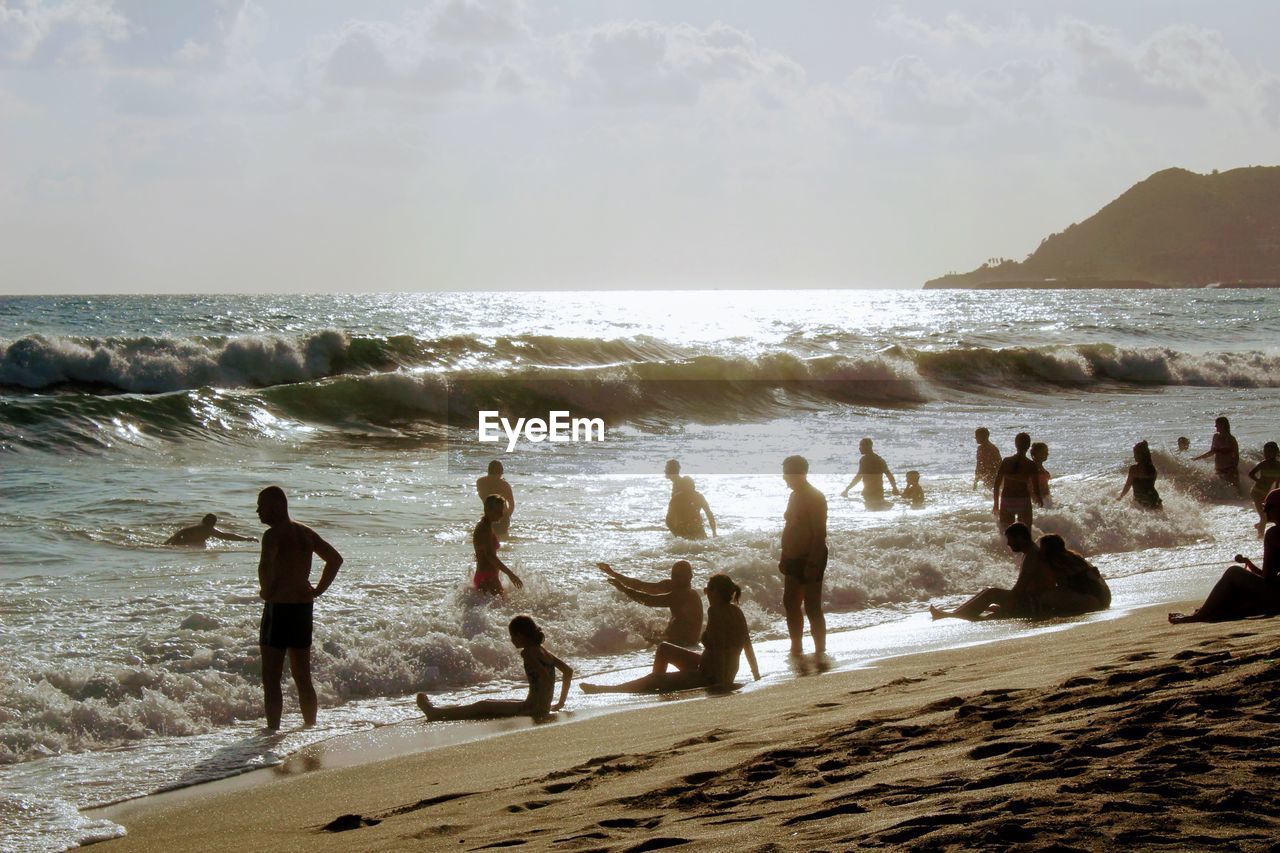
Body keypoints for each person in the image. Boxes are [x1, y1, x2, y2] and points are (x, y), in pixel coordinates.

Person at [255, 486, 343, 730]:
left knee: (271, 677)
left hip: (279, 607)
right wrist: (317, 589)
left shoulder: (272, 535)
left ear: (277, 506)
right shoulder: (305, 532)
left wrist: (266, 590)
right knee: (302, 675)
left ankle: (272, 730)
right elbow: (335, 559)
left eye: (262, 505)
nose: (258, 511)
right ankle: (310, 727)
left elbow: (265, 566)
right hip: (303, 608)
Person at [580, 574, 760, 693]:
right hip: (714, 670)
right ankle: (655, 687)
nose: (705, 593)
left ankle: (607, 689)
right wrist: (755, 674)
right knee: (664, 648)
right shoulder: (737, 611)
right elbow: (747, 645)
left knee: (656, 678)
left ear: (716, 592)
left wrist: (720, 683)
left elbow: (720, 648)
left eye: (707, 590)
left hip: (709, 676)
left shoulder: (715, 612)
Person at [417, 615, 572, 719]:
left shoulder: (528, 653)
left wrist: (538, 708)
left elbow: (544, 676)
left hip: (530, 709)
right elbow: (567, 671)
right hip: (539, 707)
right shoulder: (543, 650)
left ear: (520, 635)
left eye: (512, 636)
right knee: (490, 701)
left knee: (482, 706)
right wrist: (558, 703)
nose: (511, 640)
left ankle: (435, 713)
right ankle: (440, 710)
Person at [1169, 489, 1280, 623]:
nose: (1264, 511)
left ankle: (1199, 616)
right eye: (1264, 507)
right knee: (1237, 600)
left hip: (1277, 599)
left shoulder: (1274, 534)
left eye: (1268, 507)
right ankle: (1210, 612)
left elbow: (1267, 578)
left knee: (1233, 572)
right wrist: (1250, 565)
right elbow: (1270, 578)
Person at [930, 523, 1052, 621]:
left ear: (1020, 538)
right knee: (988, 591)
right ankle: (954, 614)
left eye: (1010, 540)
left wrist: (1005, 606)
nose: (1008, 543)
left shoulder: (1032, 555)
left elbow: (1019, 590)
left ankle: (954, 616)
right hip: (1031, 600)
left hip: (1033, 603)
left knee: (991, 593)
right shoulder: (1030, 552)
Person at [779, 455, 828, 656]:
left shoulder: (815, 497)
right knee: (790, 602)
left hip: (810, 556)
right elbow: (790, 526)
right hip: (792, 556)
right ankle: (796, 646)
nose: (784, 478)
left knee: (812, 606)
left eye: (787, 473)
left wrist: (813, 563)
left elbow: (819, 533)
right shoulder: (794, 496)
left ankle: (820, 649)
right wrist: (783, 554)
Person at [597, 560, 704, 647]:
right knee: (639, 630)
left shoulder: (687, 594)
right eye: (674, 575)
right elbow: (641, 586)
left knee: (638, 638)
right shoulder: (673, 585)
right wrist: (613, 573)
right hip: (674, 639)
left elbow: (648, 600)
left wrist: (624, 590)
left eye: (679, 576)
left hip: (685, 644)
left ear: (690, 576)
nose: (675, 579)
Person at [1036, 534, 1110, 616]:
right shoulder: (1074, 556)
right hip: (1105, 597)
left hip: (1093, 601)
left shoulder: (1057, 562)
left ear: (1048, 549)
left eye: (1042, 547)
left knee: (1046, 596)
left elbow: (1063, 587)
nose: (1039, 551)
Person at [473, 494, 523, 595]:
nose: (501, 514)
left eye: (502, 511)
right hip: (487, 577)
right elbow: (490, 556)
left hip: (486, 576)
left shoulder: (486, 526)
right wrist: (510, 574)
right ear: (488, 510)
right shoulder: (484, 528)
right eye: (498, 511)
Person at [992, 432, 1043, 529]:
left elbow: (997, 485)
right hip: (1023, 499)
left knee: (1006, 531)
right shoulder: (1031, 464)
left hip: (1007, 499)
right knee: (1026, 532)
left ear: (1015, 444)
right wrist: (1039, 498)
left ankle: (1003, 544)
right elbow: (1036, 489)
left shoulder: (1006, 461)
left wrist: (995, 504)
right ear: (1028, 446)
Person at [841, 437, 899, 508]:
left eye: (861, 446)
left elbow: (858, 477)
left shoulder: (865, 460)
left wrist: (847, 489)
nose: (859, 448)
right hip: (877, 493)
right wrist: (894, 488)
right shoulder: (879, 460)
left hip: (869, 493)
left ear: (868, 446)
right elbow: (889, 475)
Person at [664, 461, 715, 538]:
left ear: (671, 470)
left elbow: (686, 510)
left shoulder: (681, 486)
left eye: (666, 468)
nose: (664, 471)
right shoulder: (678, 484)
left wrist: (677, 534)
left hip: (686, 528)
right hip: (689, 527)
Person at [1194, 416, 1242, 495]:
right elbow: (1212, 452)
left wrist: (1233, 469)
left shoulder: (1231, 439)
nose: (1215, 426)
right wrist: (1197, 458)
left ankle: (1244, 505)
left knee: (1237, 491)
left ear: (1223, 425)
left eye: (1217, 424)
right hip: (1219, 469)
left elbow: (1236, 456)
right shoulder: (1215, 437)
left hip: (1230, 469)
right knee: (1223, 492)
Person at [165, 513, 256, 547]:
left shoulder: (208, 529)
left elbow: (226, 536)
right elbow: (226, 536)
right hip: (180, 542)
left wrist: (246, 538)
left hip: (183, 542)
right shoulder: (205, 529)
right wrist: (247, 538)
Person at [1117, 440, 1162, 509]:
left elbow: (1128, 485)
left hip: (1141, 500)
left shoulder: (1134, 469)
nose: (1134, 456)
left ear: (1140, 455)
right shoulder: (1152, 469)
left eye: (1135, 454)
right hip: (1154, 498)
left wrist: (1121, 496)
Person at [1247, 442, 1280, 537]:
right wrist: (1258, 481)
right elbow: (1251, 474)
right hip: (1256, 492)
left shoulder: (1279, 466)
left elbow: (1278, 483)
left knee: (1270, 516)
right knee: (1264, 516)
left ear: (1275, 452)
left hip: (1267, 494)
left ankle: (1259, 526)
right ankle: (1260, 536)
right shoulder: (1263, 464)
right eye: (1266, 452)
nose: (1268, 454)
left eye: (1270, 451)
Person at [476, 461, 515, 538]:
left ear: (489, 470)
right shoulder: (505, 485)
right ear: (501, 471)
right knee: (501, 539)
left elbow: (483, 496)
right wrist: (507, 516)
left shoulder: (480, 482)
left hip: (489, 516)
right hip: (502, 516)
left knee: (487, 540)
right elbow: (512, 504)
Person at [1030, 442, 1052, 508]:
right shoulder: (1033, 468)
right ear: (1037, 453)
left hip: (1045, 501)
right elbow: (1030, 487)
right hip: (1040, 502)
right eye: (1044, 452)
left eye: (1047, 451)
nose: (1047, 454)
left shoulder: (1039, 467)